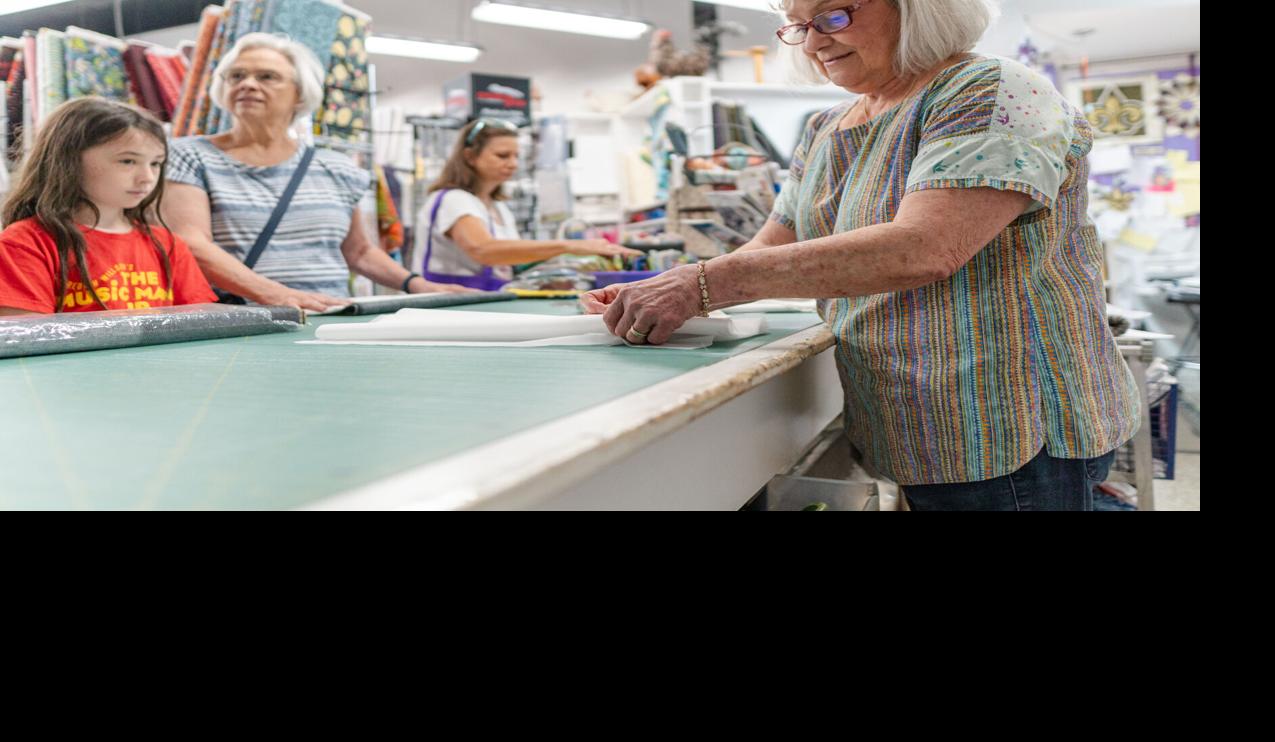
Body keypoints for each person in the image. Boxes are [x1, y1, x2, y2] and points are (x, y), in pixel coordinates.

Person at [582, 0, 1142, 510]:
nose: (814, 42)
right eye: (800, 26)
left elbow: (925, 248)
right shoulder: (826, 128)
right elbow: (771, 247)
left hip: (1004, 420)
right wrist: (669, 291)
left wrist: (700, 283)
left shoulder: (989, 90)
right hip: (920, 417)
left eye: (834, 16)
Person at [162, 33, 471, 313]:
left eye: (266, 76)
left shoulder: (335, 167)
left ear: (299, 93)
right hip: (245, 322)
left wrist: (418, 285)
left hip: (330, 315)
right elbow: (190, 242)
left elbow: (360, 252)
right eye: (236, 76)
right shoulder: (190, 156)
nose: (248, 84)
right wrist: (277, 295)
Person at [1, 98, 216, 315]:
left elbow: (200, 327)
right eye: (128, 161)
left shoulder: (169, 245)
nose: (147, 178)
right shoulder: (24, 243)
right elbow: (27, 339)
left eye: (155, 163)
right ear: (69, 160)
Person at [412, 118, 637, 290]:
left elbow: (511, 262)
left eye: (516, 156)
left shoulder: (499, 207)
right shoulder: (454, 200)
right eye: (502, 155)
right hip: (446, 305)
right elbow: (484, 250)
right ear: (470, 156)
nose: (513, 164)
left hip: (480, 302)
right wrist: (570, 246)